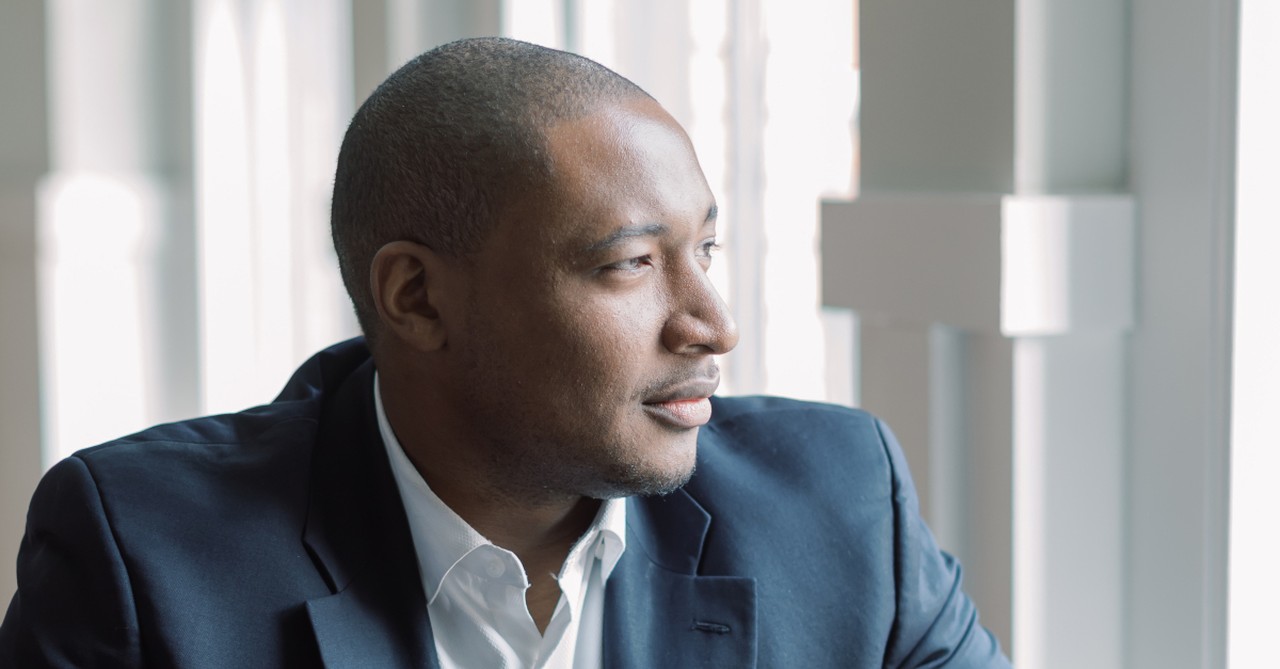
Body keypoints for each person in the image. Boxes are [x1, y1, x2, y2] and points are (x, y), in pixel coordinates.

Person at [0, 37, 1010, 668]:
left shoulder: (838, 510)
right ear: (417, 296)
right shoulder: (142, 556)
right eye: (627, 264)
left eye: (702, 248)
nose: (710, 323)